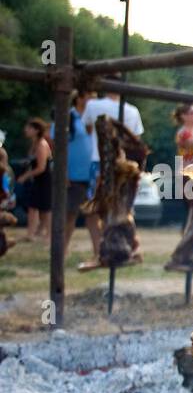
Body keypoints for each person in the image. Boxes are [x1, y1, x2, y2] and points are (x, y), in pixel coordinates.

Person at [79, 92, 143, 269]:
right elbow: (138, 138)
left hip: (104, 164)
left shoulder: (93, 105)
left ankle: (104, 252)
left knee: (110, 210)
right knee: (117, 209)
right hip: (117, 165)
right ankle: (118, 249)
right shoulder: (132, 111)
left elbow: (87, 129)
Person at [63, 89, 99, 259]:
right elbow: (58, 147)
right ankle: (62, 250)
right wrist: (62, 172)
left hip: (93, 173)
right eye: (90, 95)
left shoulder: (96, 117)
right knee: (70, 214)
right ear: (79, 98)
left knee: (93, 214)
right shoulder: (68, 117)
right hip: (73, 175)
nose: (94, 99)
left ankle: (98, 252)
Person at [14, 118, 52, 243]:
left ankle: (49, 235)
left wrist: (25, 176)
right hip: (36, 180)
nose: (26, 130)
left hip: (44, 180)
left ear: (36, 130)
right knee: (32, 207)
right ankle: (31, 234)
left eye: (29, 128)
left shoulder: (41, 144)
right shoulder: (34, 144)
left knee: (45, 209)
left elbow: (41, 167)